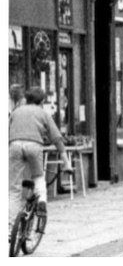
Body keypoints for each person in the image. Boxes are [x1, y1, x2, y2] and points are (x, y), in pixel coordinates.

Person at [9, 86, 71, 229]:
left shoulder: (15, 112)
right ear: (42, 101)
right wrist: (66, 164)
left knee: (13, 190)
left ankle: (9, 230)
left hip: (14, 145)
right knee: (38, 177)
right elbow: (57, 139)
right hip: (34, 145)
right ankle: (42, 200)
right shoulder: (43, 113)